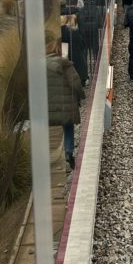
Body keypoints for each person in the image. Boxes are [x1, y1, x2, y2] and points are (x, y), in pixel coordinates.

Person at [46, 33, 84, 170]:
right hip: (65, 105)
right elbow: (76, 83)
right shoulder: (65, 64)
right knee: (68, 127)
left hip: (47, 106)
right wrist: (82, 95)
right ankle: (68, 153)